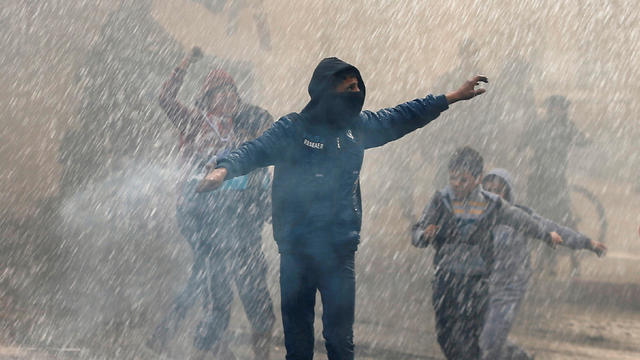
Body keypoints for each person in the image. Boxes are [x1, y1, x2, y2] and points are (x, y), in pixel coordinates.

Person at [196, 57, 488, 359]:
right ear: (325, 90)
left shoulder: (358, 129)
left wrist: (452, 96)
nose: (356, 91)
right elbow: (254, 150)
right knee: (298, 342)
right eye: (348, 86)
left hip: (339, 251)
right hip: (296, 251)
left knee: (340, 341)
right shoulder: (293, 129)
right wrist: (223, 169)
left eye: (358, 85)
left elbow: (404, 115)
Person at [146, 46, 275, 360]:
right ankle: (204, 341)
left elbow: (251, 169)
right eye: (222, 93)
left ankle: (188, 338)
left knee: (208, 277)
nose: (230, 98)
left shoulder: (236, 131)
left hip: (224, 215)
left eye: (233, 93)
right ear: (207, 98)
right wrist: (185, 63)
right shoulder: (195, 120)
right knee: (210, 274)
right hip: (195, 210)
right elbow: (164, 99)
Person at [411, 146, 563, 360]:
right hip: (446, 279)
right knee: (446, 336)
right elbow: (418, 230)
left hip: (477, 281)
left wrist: (546, 234)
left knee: (473, 339)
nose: (456, 184)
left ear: (477, 179)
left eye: (463, 179)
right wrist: (424, 236)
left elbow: (520, 219)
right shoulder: (440, 200)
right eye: (453, 178)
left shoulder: (492, 205)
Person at [479, 168, 607, 360]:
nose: (492, 194)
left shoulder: (519, 216)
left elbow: (553, 229)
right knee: (481, 340)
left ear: (507, 192)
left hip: (509, 289)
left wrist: (587, 243)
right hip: (480, 287)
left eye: (498, 190)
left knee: (490, 340)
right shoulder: (473, 216)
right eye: (487, 189)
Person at [520, 95, 592, 276]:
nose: (559, 111)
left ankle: (565, 262)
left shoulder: (560, 126)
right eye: (557, 108)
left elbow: (522, 142)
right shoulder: (557, 126)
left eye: (561, 108)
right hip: (543, 180)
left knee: (556, 219)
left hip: (550, 180)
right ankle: (553, 263)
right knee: (550, 220)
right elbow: (583, 140)